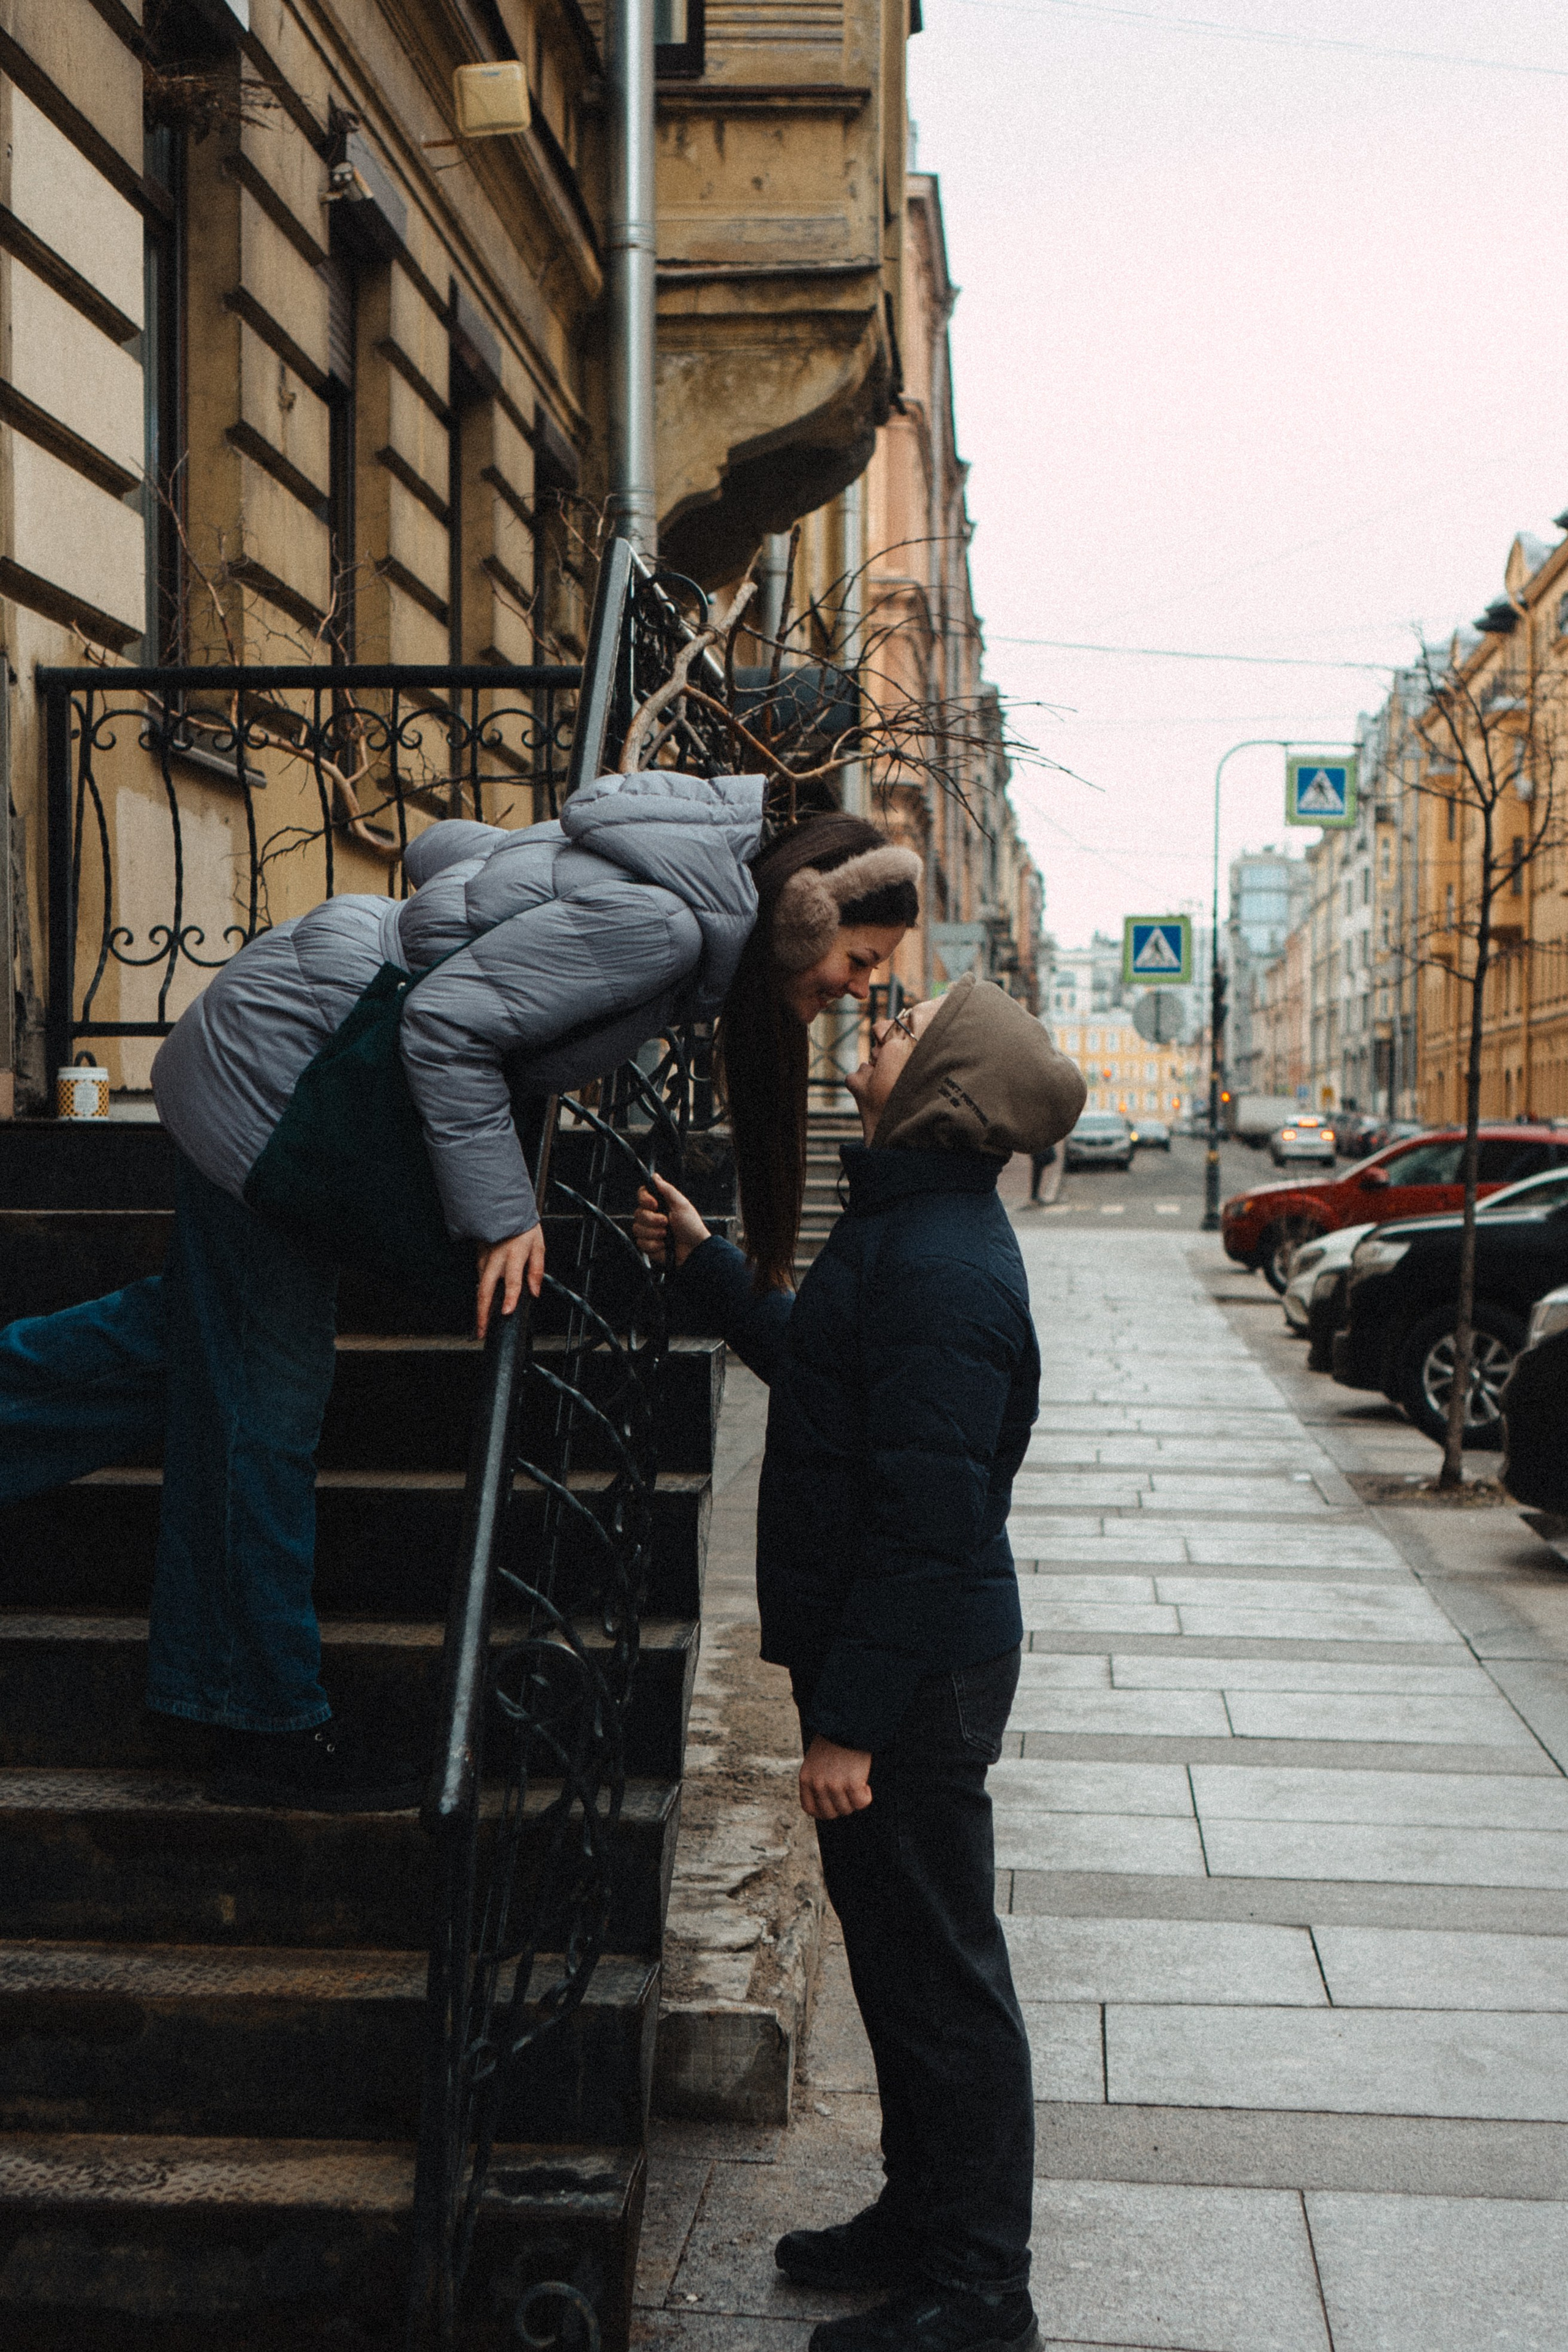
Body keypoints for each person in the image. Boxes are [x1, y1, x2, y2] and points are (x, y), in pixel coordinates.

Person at [0, 777, 919, 1810]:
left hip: (289, 1045)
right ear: (802, 918)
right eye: (861, 960)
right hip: (282, 1075)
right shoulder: (664, 922)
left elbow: (447, 852)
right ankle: (257, 1724)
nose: (859, 986)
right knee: (264, 1403)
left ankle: (228, 1694)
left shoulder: (666, 887)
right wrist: (504, 1216)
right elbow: (444, 1022)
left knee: (194, 1344)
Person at [633, 973, 1086, 2352]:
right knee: (895, 1969)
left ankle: (980, 2292)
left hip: (915, 1684)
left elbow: (929, 1522)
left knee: (943, 1979)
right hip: (892, 1671)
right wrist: (716, 1268)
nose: (870, 1034)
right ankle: (918, 2219)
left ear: (941, 1085)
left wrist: (853, 1727)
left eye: (895, 1030)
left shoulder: (944, 1265)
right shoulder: (906, 1227)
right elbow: (833, 1376)